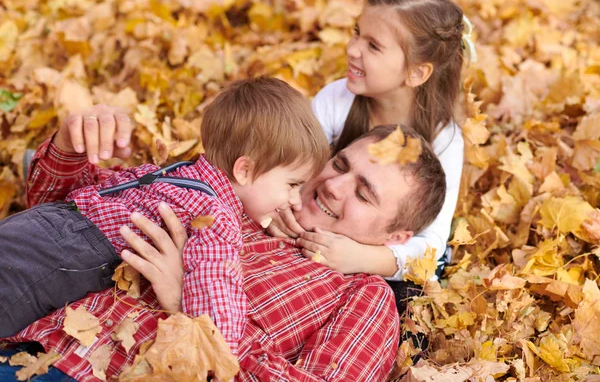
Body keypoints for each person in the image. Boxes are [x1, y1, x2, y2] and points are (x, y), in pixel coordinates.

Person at [3, 122, 446, 381]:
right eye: (341, 165)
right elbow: (63, 222)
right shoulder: (244, 191)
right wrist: (69, 146)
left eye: (364, 194)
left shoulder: (363, 297)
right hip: (26, 336)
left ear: (396, 237)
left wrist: (190, 309)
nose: (332, 185)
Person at [0, 77, 330, 356]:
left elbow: (100, 188)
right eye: (292, 184)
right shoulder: (215, 217)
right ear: (245, 170)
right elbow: (217, 320)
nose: (294, 199)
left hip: (34, 226)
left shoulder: (167, 174)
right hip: (61, 259)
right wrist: (218, 342)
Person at [270, 0, 470, 288]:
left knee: (408, 290)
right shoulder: (336, 99)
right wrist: (282, 208)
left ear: (416, 72)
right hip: (321, 219)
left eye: (373, 46)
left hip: (378, 247)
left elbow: (430, 246)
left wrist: (359, 257)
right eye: (355, 32)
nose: (352, 49)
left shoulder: (443, 138)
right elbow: (292, 168)